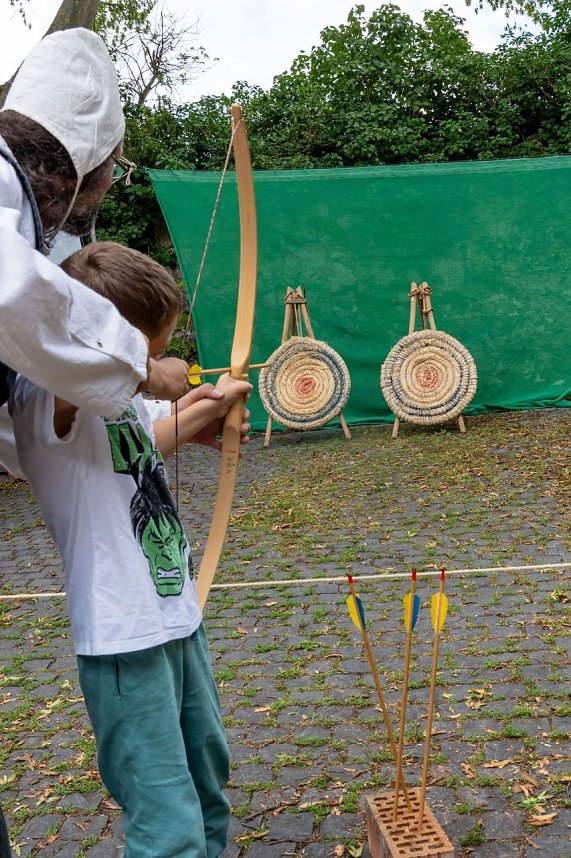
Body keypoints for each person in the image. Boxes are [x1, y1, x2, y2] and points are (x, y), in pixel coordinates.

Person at [10, 241, 253, 858]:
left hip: (175, 617)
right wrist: (154, 370)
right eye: (155, 345)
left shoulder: (106, 393)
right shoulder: (44, 394)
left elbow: (135, 442)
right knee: (165, 816)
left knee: (207, 783)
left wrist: (203, 412)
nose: (164, 358)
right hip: (122, 638)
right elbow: (83, 369)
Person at [0, 27, 189, 426]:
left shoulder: (18, 209)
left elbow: (22, 420)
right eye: (114, 166)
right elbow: (13, 290)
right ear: (89, 160)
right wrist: (148, 370)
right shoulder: (2, 178)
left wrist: (179, 414)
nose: (108, 185)